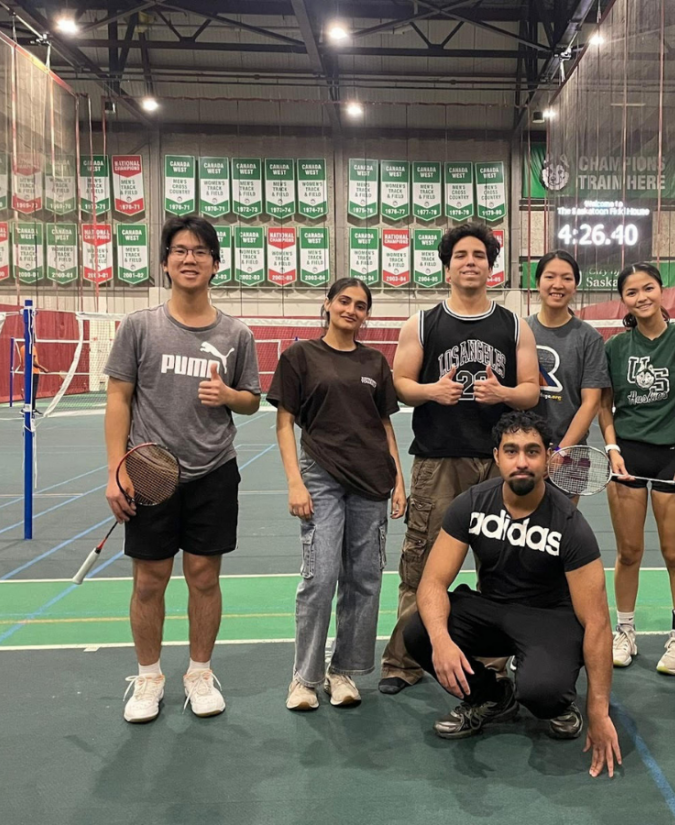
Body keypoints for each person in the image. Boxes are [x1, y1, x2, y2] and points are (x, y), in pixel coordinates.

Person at [403, 411, 622, 778]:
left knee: (541, 692)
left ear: (548, 458)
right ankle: (490, 696)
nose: (522, 461)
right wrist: (441, 641)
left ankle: (560, 701)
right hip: (492, 609)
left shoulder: (569, 524)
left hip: (549, 618)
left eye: (532, 452)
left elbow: (598, 621)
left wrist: (599, 709)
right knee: (418, 632)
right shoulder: (472, 504)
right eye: (512, 451)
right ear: (497, 456)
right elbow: (432, 583)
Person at [104, 215, 261, 724]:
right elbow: (118, 399)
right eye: (179, 250)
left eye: (200, 251)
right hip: (149, 472)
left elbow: (252, 402)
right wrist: (116, 472)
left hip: (214, 471)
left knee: (203, 577)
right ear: (166, 262)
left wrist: (229, 395)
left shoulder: (237, 333)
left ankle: (199, 672)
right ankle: (149, 677)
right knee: (149, 581)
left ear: (216, 264)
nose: (189, 258)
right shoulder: (139, 326)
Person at [379, 223, 540, 695]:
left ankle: (490, 660)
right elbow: (400, 382)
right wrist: (431, 391)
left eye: (480, 256)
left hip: (499, 462)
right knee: (422, 564)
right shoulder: (423, 322)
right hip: (438, 459)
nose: (470, 262)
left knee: (504, 564)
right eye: (461, 255)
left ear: (492, 267)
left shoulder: (514, 324)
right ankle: (403, 661)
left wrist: (503, 392)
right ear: (447, 265)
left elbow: (530, 391)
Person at [267, 278, 407, 711]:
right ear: (326, 305)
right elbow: (284, 422)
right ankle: (304, 678)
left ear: (367, 314)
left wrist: (398, 481)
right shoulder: (300, 357)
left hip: (371, 481)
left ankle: (342, 671)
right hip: (321, 476)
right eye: (344, 301)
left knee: (364, 579)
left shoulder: (374, 362)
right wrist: (295, 481)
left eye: (360, 305)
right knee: (321, 576)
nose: (351, 309)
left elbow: (384, 426)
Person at [599, 263, 675, 675]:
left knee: (674, 552)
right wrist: (612, 449)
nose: (641, 296)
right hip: (627, 455)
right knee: (628, 552)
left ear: (662, 291)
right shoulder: (614, 348)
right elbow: (604, 405)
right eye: (632, 291)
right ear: (623, 299)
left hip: (673, 456)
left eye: (648, 288)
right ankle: (625, 632)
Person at [526, 250, 611, 461]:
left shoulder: (589, 338)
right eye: (550, 277)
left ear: (575, 286)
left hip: (570, 453)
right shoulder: (520, 329)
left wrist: (561, 450)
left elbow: (591, 403)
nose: (558, 284)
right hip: (524, 450)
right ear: (537, 282)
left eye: (566, 278)